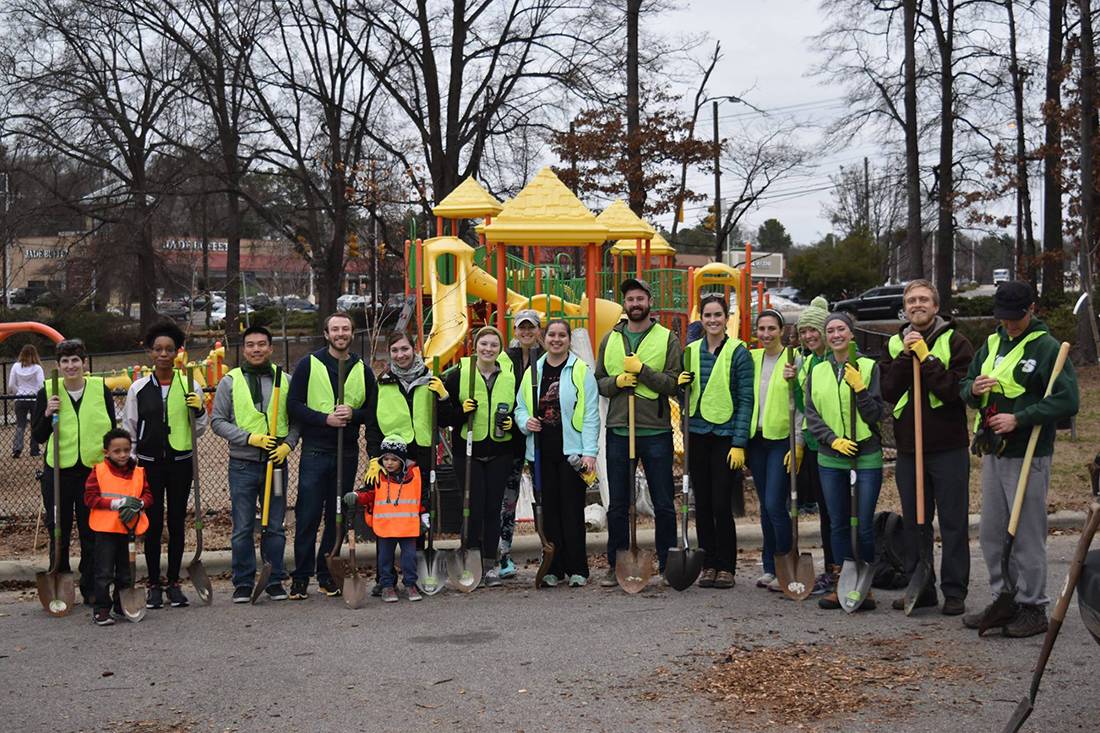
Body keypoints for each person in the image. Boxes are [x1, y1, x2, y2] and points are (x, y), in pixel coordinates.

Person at [960, 281, 1079, 638]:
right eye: (1003, 318)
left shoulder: (1047, 348)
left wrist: (1020, 418)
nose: (1009, 324)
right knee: (993, 533)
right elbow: (966, 386)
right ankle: (1003, 598)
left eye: (1015, 318)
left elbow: (1067, 401)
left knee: (1026, 533)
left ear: (1031, 310)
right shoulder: (992, 343)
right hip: (993, 450)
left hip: (1028, 453)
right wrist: (973, 389)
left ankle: (1033, 606)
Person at [879, 279, 974, 616]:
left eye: (923, 300)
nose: (916, 305)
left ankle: (954, 590)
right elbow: (889, 391)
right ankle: (923, 586)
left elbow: (955, 391)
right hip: (909, 448)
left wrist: (928, 359)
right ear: (905, 307)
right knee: (917, 522)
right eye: (911, 300)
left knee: (952, 521)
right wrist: (907, 356)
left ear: (935, 306)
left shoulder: (956, 342)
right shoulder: (894, 343)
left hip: (947, 447)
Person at [595, 278, 682, 587]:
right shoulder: (610, 339)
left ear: (649, 302)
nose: (635, 304)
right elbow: (599, 382)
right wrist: (617, 382)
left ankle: (668, 562)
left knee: (663, 502)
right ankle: (616, 562)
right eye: (630, 299)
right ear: (625, 304)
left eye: (640, 298)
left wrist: (642, 372)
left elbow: (673, 383)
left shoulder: (666, 338)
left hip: (655, 430)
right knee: (618, 503)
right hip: (619, 428)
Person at [287, 312, 380, 600]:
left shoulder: (362, 370)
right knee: (308, 515)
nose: (340, 333)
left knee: (336, 516)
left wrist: (354, 415)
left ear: (352, 334)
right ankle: (301, 577)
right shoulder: (309, 365)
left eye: (345, 329)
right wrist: (323, 419)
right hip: (316, 451)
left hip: (347, 452)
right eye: (335, 329)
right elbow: (293, 405)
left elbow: (374, 411)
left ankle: (326, 573)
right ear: (326, 334)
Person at [210, 325, 298, 603]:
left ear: (270, 348)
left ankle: (274, 580)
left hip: (277, 466)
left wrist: (288, 445)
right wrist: (250, 438)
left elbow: (297, 420)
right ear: (244, 349)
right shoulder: (230, 381)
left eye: (262, 344)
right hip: (242, 466)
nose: (256, 349)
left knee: (275, 526)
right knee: (243, 527)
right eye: (250, 345)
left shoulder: (285, 380)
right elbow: (218, 422)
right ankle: (243, 582)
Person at [805, 312, 887, 610]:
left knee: (863, 523)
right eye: (831, 330)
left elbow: (877, 414)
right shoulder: (818, 371)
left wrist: (861, 389)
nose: (836, 335)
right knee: (838, 522)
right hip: (831, 457)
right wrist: (831, 439)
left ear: (851, 334)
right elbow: (811, 414)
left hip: (865, 455)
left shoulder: (867, 367)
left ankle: (865, 583)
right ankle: (841, 579)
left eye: (841, 329)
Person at [124, 321, 208, 609]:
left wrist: (198, 410)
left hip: (180, 461)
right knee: (153, 521)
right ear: (150, 352)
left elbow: (199, 429)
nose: (163, 354)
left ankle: (173, 581)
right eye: (158, 349)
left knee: (176, 521)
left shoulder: (189, 384)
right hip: (149, 464)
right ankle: (154, 584)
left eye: (169, 349)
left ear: (177, 352)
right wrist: (133, 461)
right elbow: (130, 427)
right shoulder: (138, 388)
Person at [31, 338, 116, 606]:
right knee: (59, 529)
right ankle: (60, 576)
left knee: (91, 531)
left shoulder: (100, 390)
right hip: (58, 473)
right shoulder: (48, 391)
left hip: (91, 473)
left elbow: (112, 430)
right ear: (57, 365)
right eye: (65, 361)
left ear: (83, 363)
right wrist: (47, 413)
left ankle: (90, 586)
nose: (70, 366)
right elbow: (38, 436)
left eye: (75, 360)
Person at [515, 319, 599, 587]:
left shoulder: (580, 371)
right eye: (551, 334)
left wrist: (590, 452)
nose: (556, 339)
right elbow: (520, 407)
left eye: (562, 335)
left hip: (572, 452)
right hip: (541, 451)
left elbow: (590, 415)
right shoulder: (533, 371)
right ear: (543, 337)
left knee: (571, 510)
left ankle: (578, 569)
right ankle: (554, 567)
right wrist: (525, 421)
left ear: (568, 340)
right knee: (548, 511)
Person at [680, 295, 753, 589]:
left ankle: (726, 566)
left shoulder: (739, 353)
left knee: (721, 504)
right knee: (704, 503)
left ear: (726, 318)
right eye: (707, 315)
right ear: (702, 317)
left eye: (718, 315)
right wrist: (679, 385)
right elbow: (682, 396)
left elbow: (746, 399)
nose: (712, 320)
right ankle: (708, 563)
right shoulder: (691, 351)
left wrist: (739, 442)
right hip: (697, 434)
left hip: (725, 437)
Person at [440, 326, 515, 588]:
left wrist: (512, 426)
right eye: (484, 344)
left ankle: (490, 563)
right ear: (475, 346)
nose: (488, 349)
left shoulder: (508, 376)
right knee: (472, 509)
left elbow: (518, 410)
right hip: (468, 454)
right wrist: (461, 412)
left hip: (499, 453)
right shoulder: (459, 375)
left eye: (494, 345)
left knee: (493, 509)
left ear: (500, 349)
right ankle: (470, 559)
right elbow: (443, 415)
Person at [747, 309, 802, 592]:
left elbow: (803, 403)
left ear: (781, 330)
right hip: (756, 440)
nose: (766, 334)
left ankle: (786, 562)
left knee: (774, 505)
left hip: (781, 439)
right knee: (765, 509)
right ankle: (769, 567)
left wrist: (799, 442)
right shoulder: (753, 358)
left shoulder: (793, 360)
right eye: (761, 329)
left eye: (771, 329)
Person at [345, 437, 427, 602]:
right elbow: (369, 493)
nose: (389, 463)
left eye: (394, 459)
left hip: (408, 527)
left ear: (402, 460)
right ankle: (387, 586)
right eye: (386, 459)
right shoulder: (377, 475)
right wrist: (356, 496)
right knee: (384, 559)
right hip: (386, 527)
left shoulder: (415, 475)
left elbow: (422, 498)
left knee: (409, 557)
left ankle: (410, 583)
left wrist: (425, 518)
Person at [84, 428, 152, 626]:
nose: (122, 455)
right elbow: (90, 498)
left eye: (126, 450)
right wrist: (116, 504)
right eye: (117, 451)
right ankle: (101, 609)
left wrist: (139, 504)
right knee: (104, 571)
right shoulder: (98, 471)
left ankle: (121, 605)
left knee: (126, 570)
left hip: (128, 529)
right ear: (107, 452)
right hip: (105, 530)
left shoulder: (139, 472)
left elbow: (148, 495)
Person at [791, 296, 834, 595]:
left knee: (837, 513)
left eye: (812, 330)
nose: (808, 336)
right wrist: (792, 380)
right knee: (827, 514)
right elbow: (804, 403)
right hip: (815, 444)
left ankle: (842, 567)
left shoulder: (834, 359)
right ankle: (832, 568)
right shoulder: (807, 360)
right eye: (803, 331)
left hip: (834, 445)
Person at [499, 309, 544, 579]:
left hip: (540, 436)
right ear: (515, 330)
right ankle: (503, 553)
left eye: (531, 327)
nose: (526, 332)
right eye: (521, 328)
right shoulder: (506, 358)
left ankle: (548, 549)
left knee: (544, 497)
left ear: (539, 329)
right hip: (512, 437)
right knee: (508, 499)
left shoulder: (546, 357)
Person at [9, 343, 44, 458]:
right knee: (35, 424)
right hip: (34, 398)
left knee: (20, 425)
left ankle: (17, 449)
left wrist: (18, 392)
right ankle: (34, 450)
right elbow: (41, 385)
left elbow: (11, 384)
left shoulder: (15, 366)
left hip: (20, 398)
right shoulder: (37, 368)